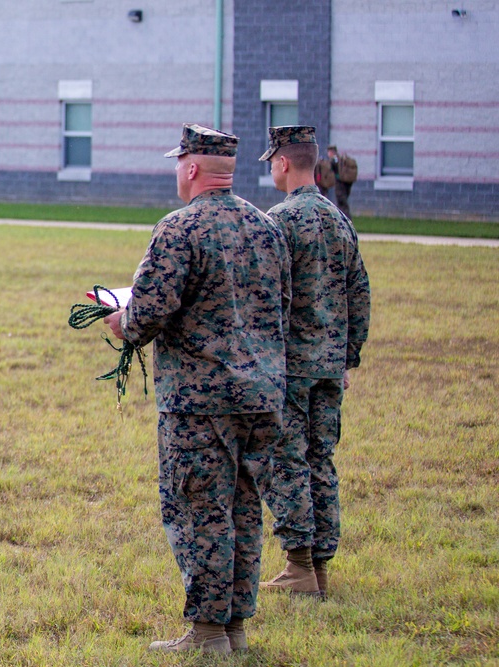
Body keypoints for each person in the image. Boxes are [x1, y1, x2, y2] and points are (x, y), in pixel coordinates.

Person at [104, 124, 290, 655]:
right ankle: (233, 628)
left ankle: (209, 634)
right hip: (261, 397)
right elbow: (285, 307)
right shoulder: (267, 229)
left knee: (198, 509)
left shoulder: (179, 229)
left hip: (199, 402)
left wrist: (123, 320)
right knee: (243, 509)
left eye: (177, 162)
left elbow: (149, 314)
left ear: (190, 168)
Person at [258, 126, 371, 597]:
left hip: (290, 366)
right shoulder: (339, 219)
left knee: (287, 461)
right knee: (321, 459)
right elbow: (358, 292)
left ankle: (299, 565)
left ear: (284, 163)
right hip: (328, 366)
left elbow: (265, 299)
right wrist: (348, 357)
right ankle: (320, 567)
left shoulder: (278, 221)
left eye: (272, 161)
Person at [327, 145, 352, 219]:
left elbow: (332, 170)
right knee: (343, 203)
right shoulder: (340, 159)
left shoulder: (334, 160)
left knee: (342, 203)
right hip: (345, 184)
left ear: (331, 152)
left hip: (340, 184)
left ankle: (346, 220)